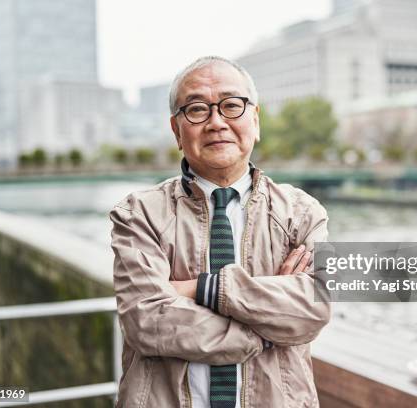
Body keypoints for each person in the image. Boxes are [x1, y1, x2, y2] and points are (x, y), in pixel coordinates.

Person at [110, 55, 330, 408]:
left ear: (255, 121)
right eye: (197, 109)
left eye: (231, 106)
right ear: (176, 130)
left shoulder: (303, 212)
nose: (216, 122)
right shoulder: (138, 214)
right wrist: (269, 331)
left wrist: (205, 289)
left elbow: (315, 309)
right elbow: (146, 321)